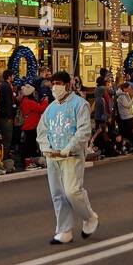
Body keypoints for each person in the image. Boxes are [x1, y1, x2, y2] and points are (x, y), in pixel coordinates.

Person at [36, 71, 98, 245]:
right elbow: (41, 130)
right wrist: (46, 148)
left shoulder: (80, 104)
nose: (55, 87)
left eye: (58, 83)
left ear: (68, 85)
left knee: (72, 191)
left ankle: (89, 216)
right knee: (58, 194)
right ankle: (64, 230)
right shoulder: (51, 108)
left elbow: (84, 130)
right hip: (53, 157)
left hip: (72, 156)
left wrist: (69, 147)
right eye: (52, 83)